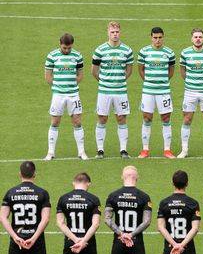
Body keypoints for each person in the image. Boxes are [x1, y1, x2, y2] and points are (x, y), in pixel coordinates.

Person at [92, 21, 133, 159]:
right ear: (108, 32)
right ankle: (100, 150)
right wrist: (104, 81)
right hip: (104, 91)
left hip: (121, 91)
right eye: (112, 32)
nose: (115, 34)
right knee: (102, 118)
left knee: (121, 118)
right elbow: (94, 71)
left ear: (120, 32)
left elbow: (129, 70)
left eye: (117, 32)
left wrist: (119, 80)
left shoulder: (127, 50)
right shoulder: (100, 50)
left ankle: (123, 150)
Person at [44, 33, 86, 160]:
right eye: (64, 48)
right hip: (58, 95)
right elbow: (48, 76)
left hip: (73, 94)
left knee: (77, 122)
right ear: (60, 44)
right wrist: (59, 86)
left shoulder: (77, 56)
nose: (67, 50)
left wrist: (71, 85)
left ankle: (81, 152)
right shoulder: (52, 56)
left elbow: (80, 74)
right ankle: (50, 152)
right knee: (55, 121)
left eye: (69, 48)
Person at [178, 28, 203, 159]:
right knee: (187, 119)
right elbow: (183, 71)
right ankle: (184, 150)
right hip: (190, 92)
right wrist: (192, 82)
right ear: (192, 39)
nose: (198, 39)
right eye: (195, 37)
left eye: (200, 37)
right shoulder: (185, 53)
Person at [137, 27, 176, 159]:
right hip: (148, 91)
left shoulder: (169, 53)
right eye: (155, 37)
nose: (157, 40)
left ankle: (167, 150)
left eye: (160, 37)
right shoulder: (144, 52)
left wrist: (162, 82)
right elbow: (141, 70)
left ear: (163, 37)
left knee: (166, 118)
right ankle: (145, 149)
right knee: (147, 118)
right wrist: (149, 82)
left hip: (164, 92)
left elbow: (171, 71)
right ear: (151, 37)